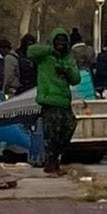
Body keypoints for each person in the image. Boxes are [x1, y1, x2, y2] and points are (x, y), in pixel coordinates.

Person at [32, 29, 80, 174]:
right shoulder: (44, 57)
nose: (61, 44)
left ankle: (55, 159)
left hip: (64, 101)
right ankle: (51, 163)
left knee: (68, 129)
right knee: (51, 134)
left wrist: (66, 71)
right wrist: (50, 50)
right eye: (57, 40)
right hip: (49, 101)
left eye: (63, 41)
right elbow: (31, 51)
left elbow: (76, 79)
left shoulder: (68, 59)